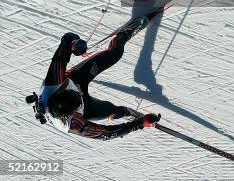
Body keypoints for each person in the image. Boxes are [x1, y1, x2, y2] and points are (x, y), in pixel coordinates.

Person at [27, 17, 161, 140]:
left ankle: (124, 35)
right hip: (86, 109)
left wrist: (74, 44)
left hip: (76, 78)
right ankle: (120, 112)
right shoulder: (74, 124)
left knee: (115, 54)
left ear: (60, 90)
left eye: (74, 93)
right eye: (78, 98)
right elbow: (107, 134)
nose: (80, 93)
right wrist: (139, 124)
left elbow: (66, 39)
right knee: (111, 109)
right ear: (71, 114)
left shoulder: (54, 81)